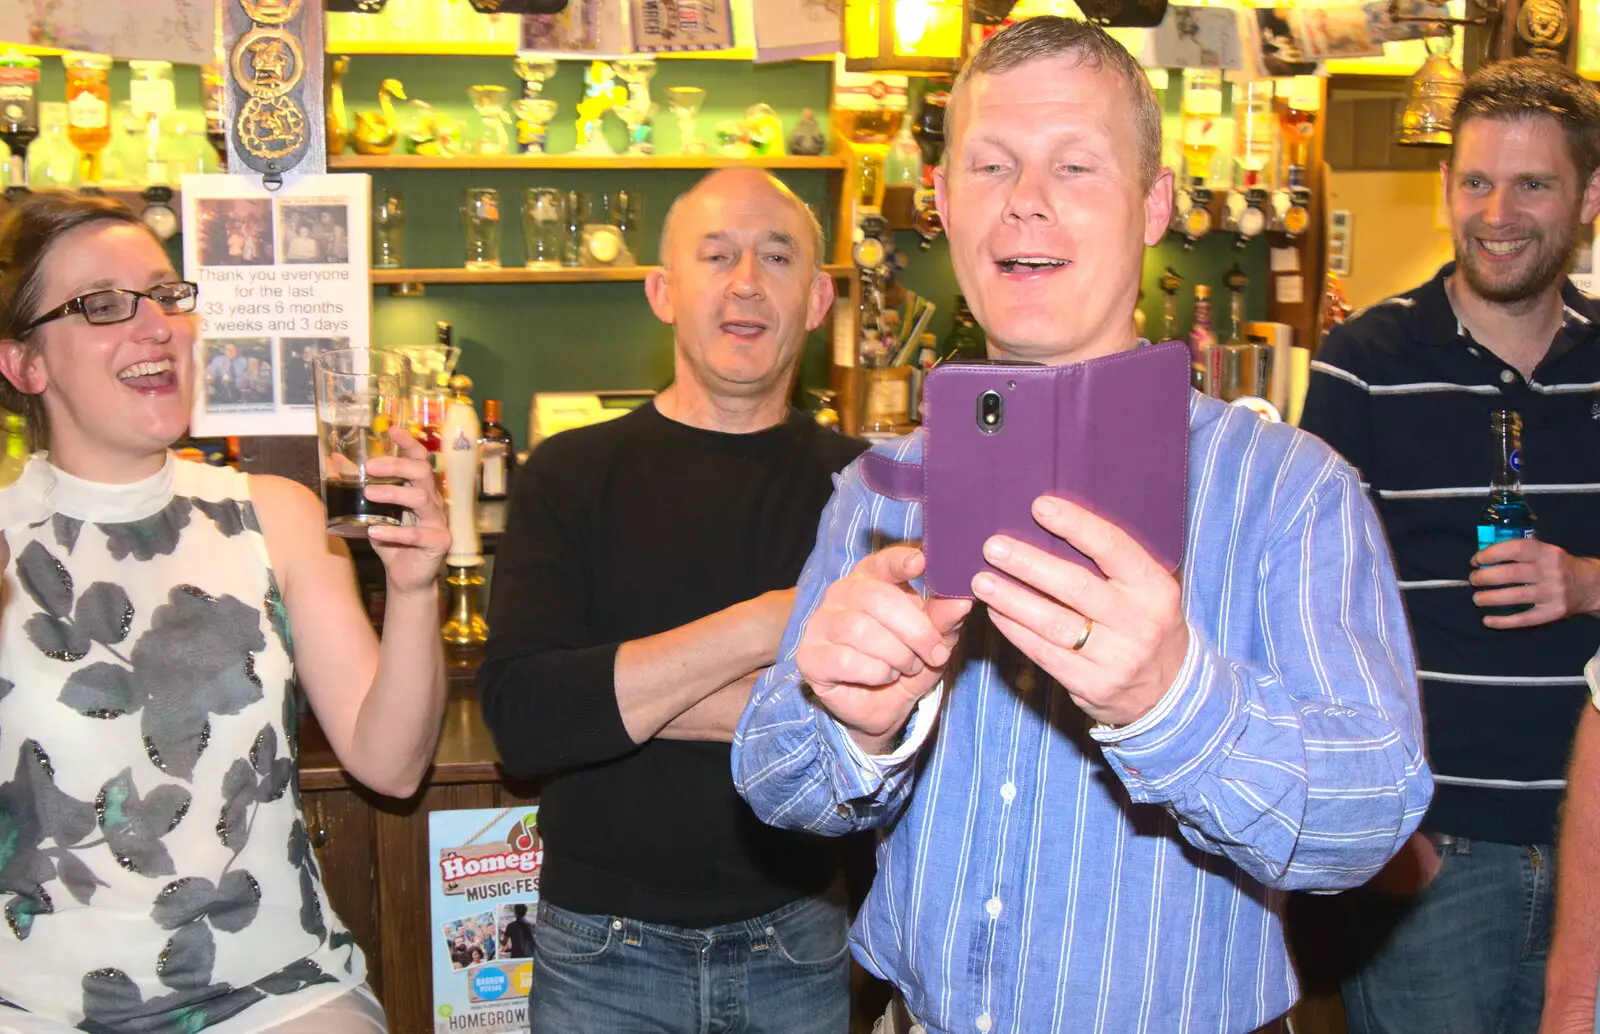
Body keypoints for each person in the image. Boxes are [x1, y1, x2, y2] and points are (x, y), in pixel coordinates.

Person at [731, 17, 1431, 1034]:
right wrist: (855, 722)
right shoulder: (881, 488)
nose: (1026, 201)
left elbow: (1371, 817)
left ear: (1153, 203)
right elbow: (772, 778)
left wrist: (1172, 696)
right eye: (991, 164)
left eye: (1075, 164)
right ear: (941, 200)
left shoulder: (1288, 488)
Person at [0, 192, 451, 1031]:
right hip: (35, 1010)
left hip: (277, 996)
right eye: (102, 305)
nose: (157, 326)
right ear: (26, 365)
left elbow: (391, 766)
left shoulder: (269, 513)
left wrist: (417, 589)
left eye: (167, 296)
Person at [477, 167, 866, 1032]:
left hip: (799, 943)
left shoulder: (866, 489)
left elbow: (886, 725)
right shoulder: (568, 474)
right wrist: (766, 625)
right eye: (716, 255)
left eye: (777, 256)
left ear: (816, 298)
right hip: (599, 952)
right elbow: (528, 720)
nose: (746, 282)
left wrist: (618, 693)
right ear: (664, 292)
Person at [1299, 58, 1600, 1034]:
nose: (1496, 210)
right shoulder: (1363, 365)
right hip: (1437, 862)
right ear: (1444, 190)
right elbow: (1309, 605)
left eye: (1532, 183)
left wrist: (1590, 580)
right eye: (1474, 180)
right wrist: (1391, 835)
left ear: (1589, 197)